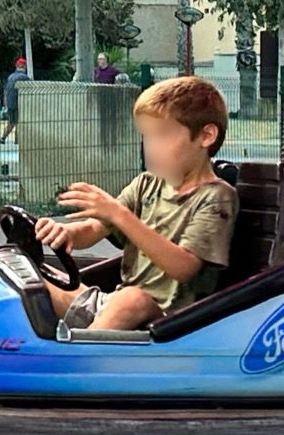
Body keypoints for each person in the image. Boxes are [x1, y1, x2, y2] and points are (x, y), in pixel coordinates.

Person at [33, 76, 237, 331]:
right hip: (114, 304)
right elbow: (93, 230)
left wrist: (120, 214)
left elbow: (184, 267)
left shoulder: (216, 197)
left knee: (132, 299)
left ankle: (80, 352)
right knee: (32, 278)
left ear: (206, 136)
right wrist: (63, 232)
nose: (151, 147)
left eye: (163, 134)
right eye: (146, 136)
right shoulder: (145, 184)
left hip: (169, 321)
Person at [0, 56, 27, 143]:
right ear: (24, 66)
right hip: (18, 103)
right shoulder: (24, 77)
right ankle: (17, 140)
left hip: (9, 103)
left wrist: (5, 103)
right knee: (18, 122)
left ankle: (3, 137)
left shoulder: (10, 77)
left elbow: (6, 90)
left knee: (11, 122)